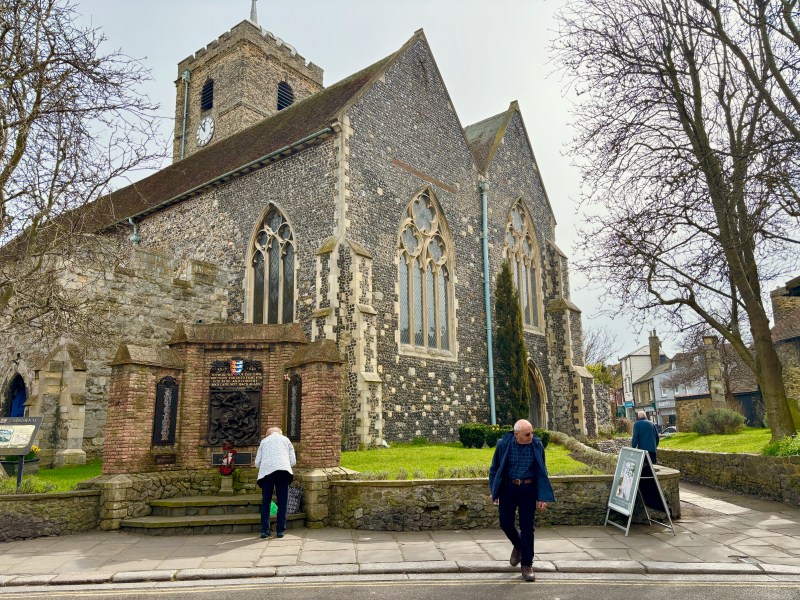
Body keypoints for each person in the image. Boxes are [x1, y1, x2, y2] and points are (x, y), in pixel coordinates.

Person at [489, 419, 555, 582]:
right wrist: (494, 491)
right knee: (505, 523)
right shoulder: (504, 444)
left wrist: (541, 497)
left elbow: (542, 471)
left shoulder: (537, 445)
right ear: (516, 434)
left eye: (532, 432)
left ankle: (527, 565)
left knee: (527, 527)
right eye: (527, 434)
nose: (531, 436)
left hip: (528, 489)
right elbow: (494, 468)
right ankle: (519, 546)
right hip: (508, 488)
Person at [254, 426, 296, 539]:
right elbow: (293, 461)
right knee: (283, 501)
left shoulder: (264, 441)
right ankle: (280, 531)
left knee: (266, 502)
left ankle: (264, 531)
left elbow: (257, 463)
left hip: (267, 473)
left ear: (268, 434)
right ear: (280, 433)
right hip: (283, 471)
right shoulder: (286, 440)